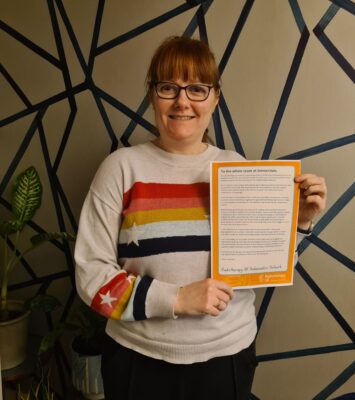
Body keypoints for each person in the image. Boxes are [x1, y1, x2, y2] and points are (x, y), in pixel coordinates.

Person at [74, 36, 327, 400]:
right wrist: (176, 299)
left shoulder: (235, 168)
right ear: (151, 94)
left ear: (215, 98)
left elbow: (264, 267)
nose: (182, 101)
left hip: (226, 360)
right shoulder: (120, 169)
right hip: (136, 361)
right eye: (168, 88)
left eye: (197, 88)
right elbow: (90, 276)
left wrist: (298, 224)